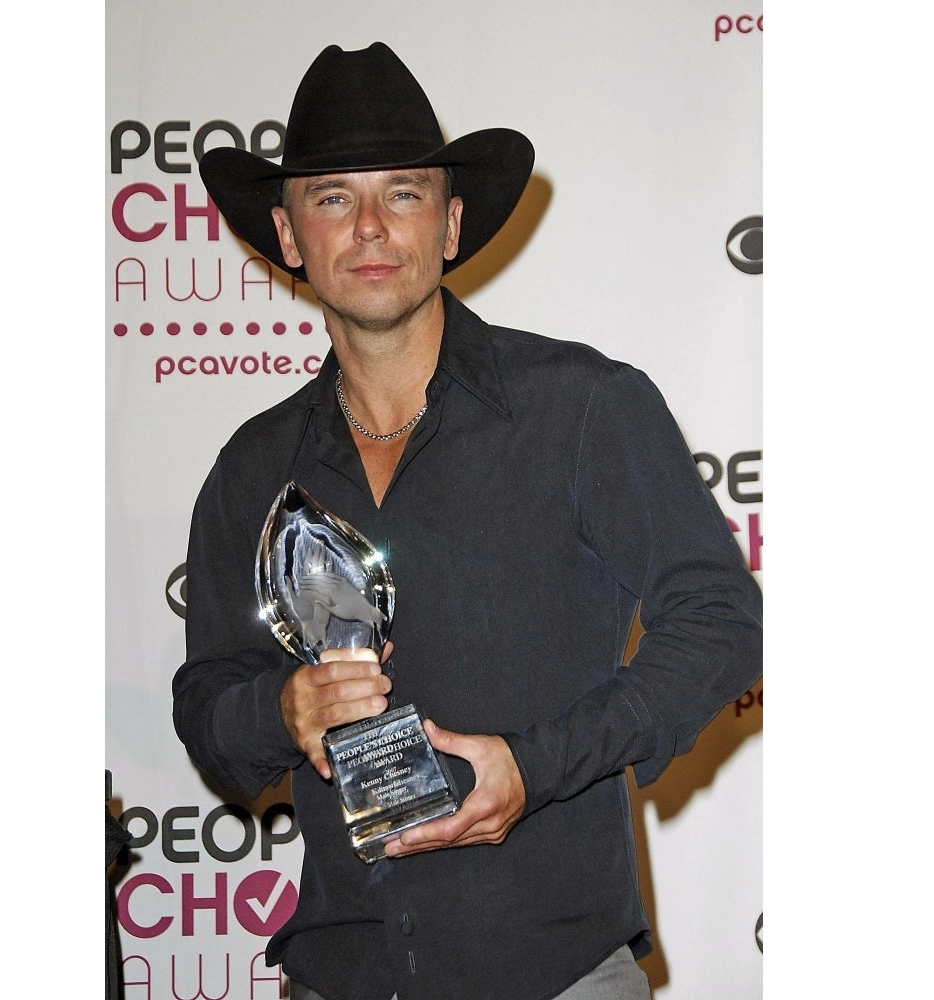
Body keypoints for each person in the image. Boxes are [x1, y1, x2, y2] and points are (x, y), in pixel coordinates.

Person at [173, 42, 763, 1000]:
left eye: (401, 193)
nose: (368, 226)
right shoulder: (252, 468)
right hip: (340, 975)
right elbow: (208, 712)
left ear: (448, 225)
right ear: (287, 235)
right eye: (331, 197)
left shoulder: (583, 409)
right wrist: (280, 711)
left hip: (557, 974)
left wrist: (536, 769)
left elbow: (722, 624)